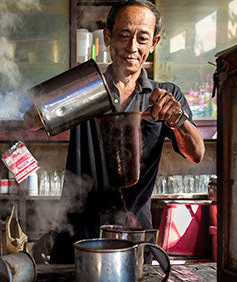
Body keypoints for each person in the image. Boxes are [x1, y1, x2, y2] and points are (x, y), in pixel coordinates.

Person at [49, 0, 205, 264]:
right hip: (77, 235)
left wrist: (177, 119)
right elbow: (32, 120)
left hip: (133, 236)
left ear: (154, 43)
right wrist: (69, 89)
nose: (132, 47)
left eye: (142, 38)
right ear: (108, 37)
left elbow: (196, 153)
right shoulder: (86, 89)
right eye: (123, 36)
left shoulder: (165, 95)